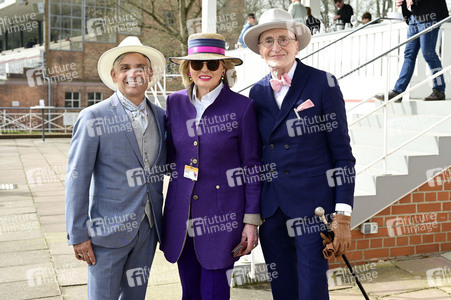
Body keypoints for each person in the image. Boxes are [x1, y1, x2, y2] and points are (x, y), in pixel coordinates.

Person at [243, 8, 355, 299]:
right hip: (272, 210)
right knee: (283, 289)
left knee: (311, 289)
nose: (276, 46)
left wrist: (342, 214)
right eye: (268, 41)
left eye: (283, 39)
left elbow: (342, 154)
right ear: (259, 48)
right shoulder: (255, 93)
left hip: (313, 208)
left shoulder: (322, 83)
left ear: (296, 44)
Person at [160, 32, 263, 300]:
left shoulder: (243, 108)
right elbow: (169, 156)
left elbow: (252, 167)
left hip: (223, 219)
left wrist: (251, 221)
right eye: (197, 64)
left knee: (215, 293)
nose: (204, 70)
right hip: (181, 216)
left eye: (212, 64)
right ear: (188, 69)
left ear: (224, 68)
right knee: (189, 293)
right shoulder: (174, 102)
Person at [65, 36, 167, 299]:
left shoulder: (161, 116)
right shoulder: (93, 116)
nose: (134, 73)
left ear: (150, 73)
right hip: (106, 232)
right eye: (125, 68)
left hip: (148, 229)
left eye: (140, 66)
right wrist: (78, 233)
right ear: (114, 75)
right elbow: (77, 178)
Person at [375, 0, 448, 102]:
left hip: (430, 13)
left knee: (428, 53)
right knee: (409, 54)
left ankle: (439, 90)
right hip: (415, 15)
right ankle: (398, 91)